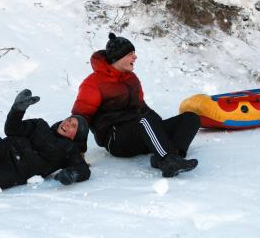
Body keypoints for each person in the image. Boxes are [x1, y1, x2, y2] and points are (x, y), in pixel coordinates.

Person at [71, 33, 201, 177]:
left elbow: (142, 107)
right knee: (145, 121)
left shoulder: (131, 78)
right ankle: (167, 159)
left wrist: (158, 129)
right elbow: (80, 117)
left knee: (191, 118)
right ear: (117, 57)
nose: (135, 57)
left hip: (140, 130)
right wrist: (77, 152)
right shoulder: (94, 83)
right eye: (130, 54)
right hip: (116, 140)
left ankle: (173, 156)